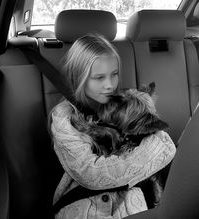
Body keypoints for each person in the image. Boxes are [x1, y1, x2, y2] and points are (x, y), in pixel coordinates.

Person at [50, 33, 176, 219]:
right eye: (99, 77)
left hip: (133, 195)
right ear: (79, 78)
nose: (109, 85)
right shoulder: (63, 116)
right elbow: (91, 174)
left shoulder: (121, 103)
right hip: (86, 200)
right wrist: (159, 145)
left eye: (114, 75)